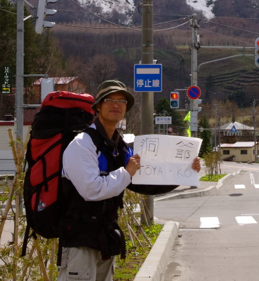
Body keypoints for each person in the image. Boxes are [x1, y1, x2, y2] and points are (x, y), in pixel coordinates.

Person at [58, 80, 200, 281]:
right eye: (109, 100)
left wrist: (183, 172)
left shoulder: (119, 146)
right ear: (98, 106)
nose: (116, 105)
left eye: (121, 101)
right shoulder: (82, 145)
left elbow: (144, 181)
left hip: (104, 236)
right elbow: (92, 190)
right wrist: (126, 173)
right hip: (79, 239)